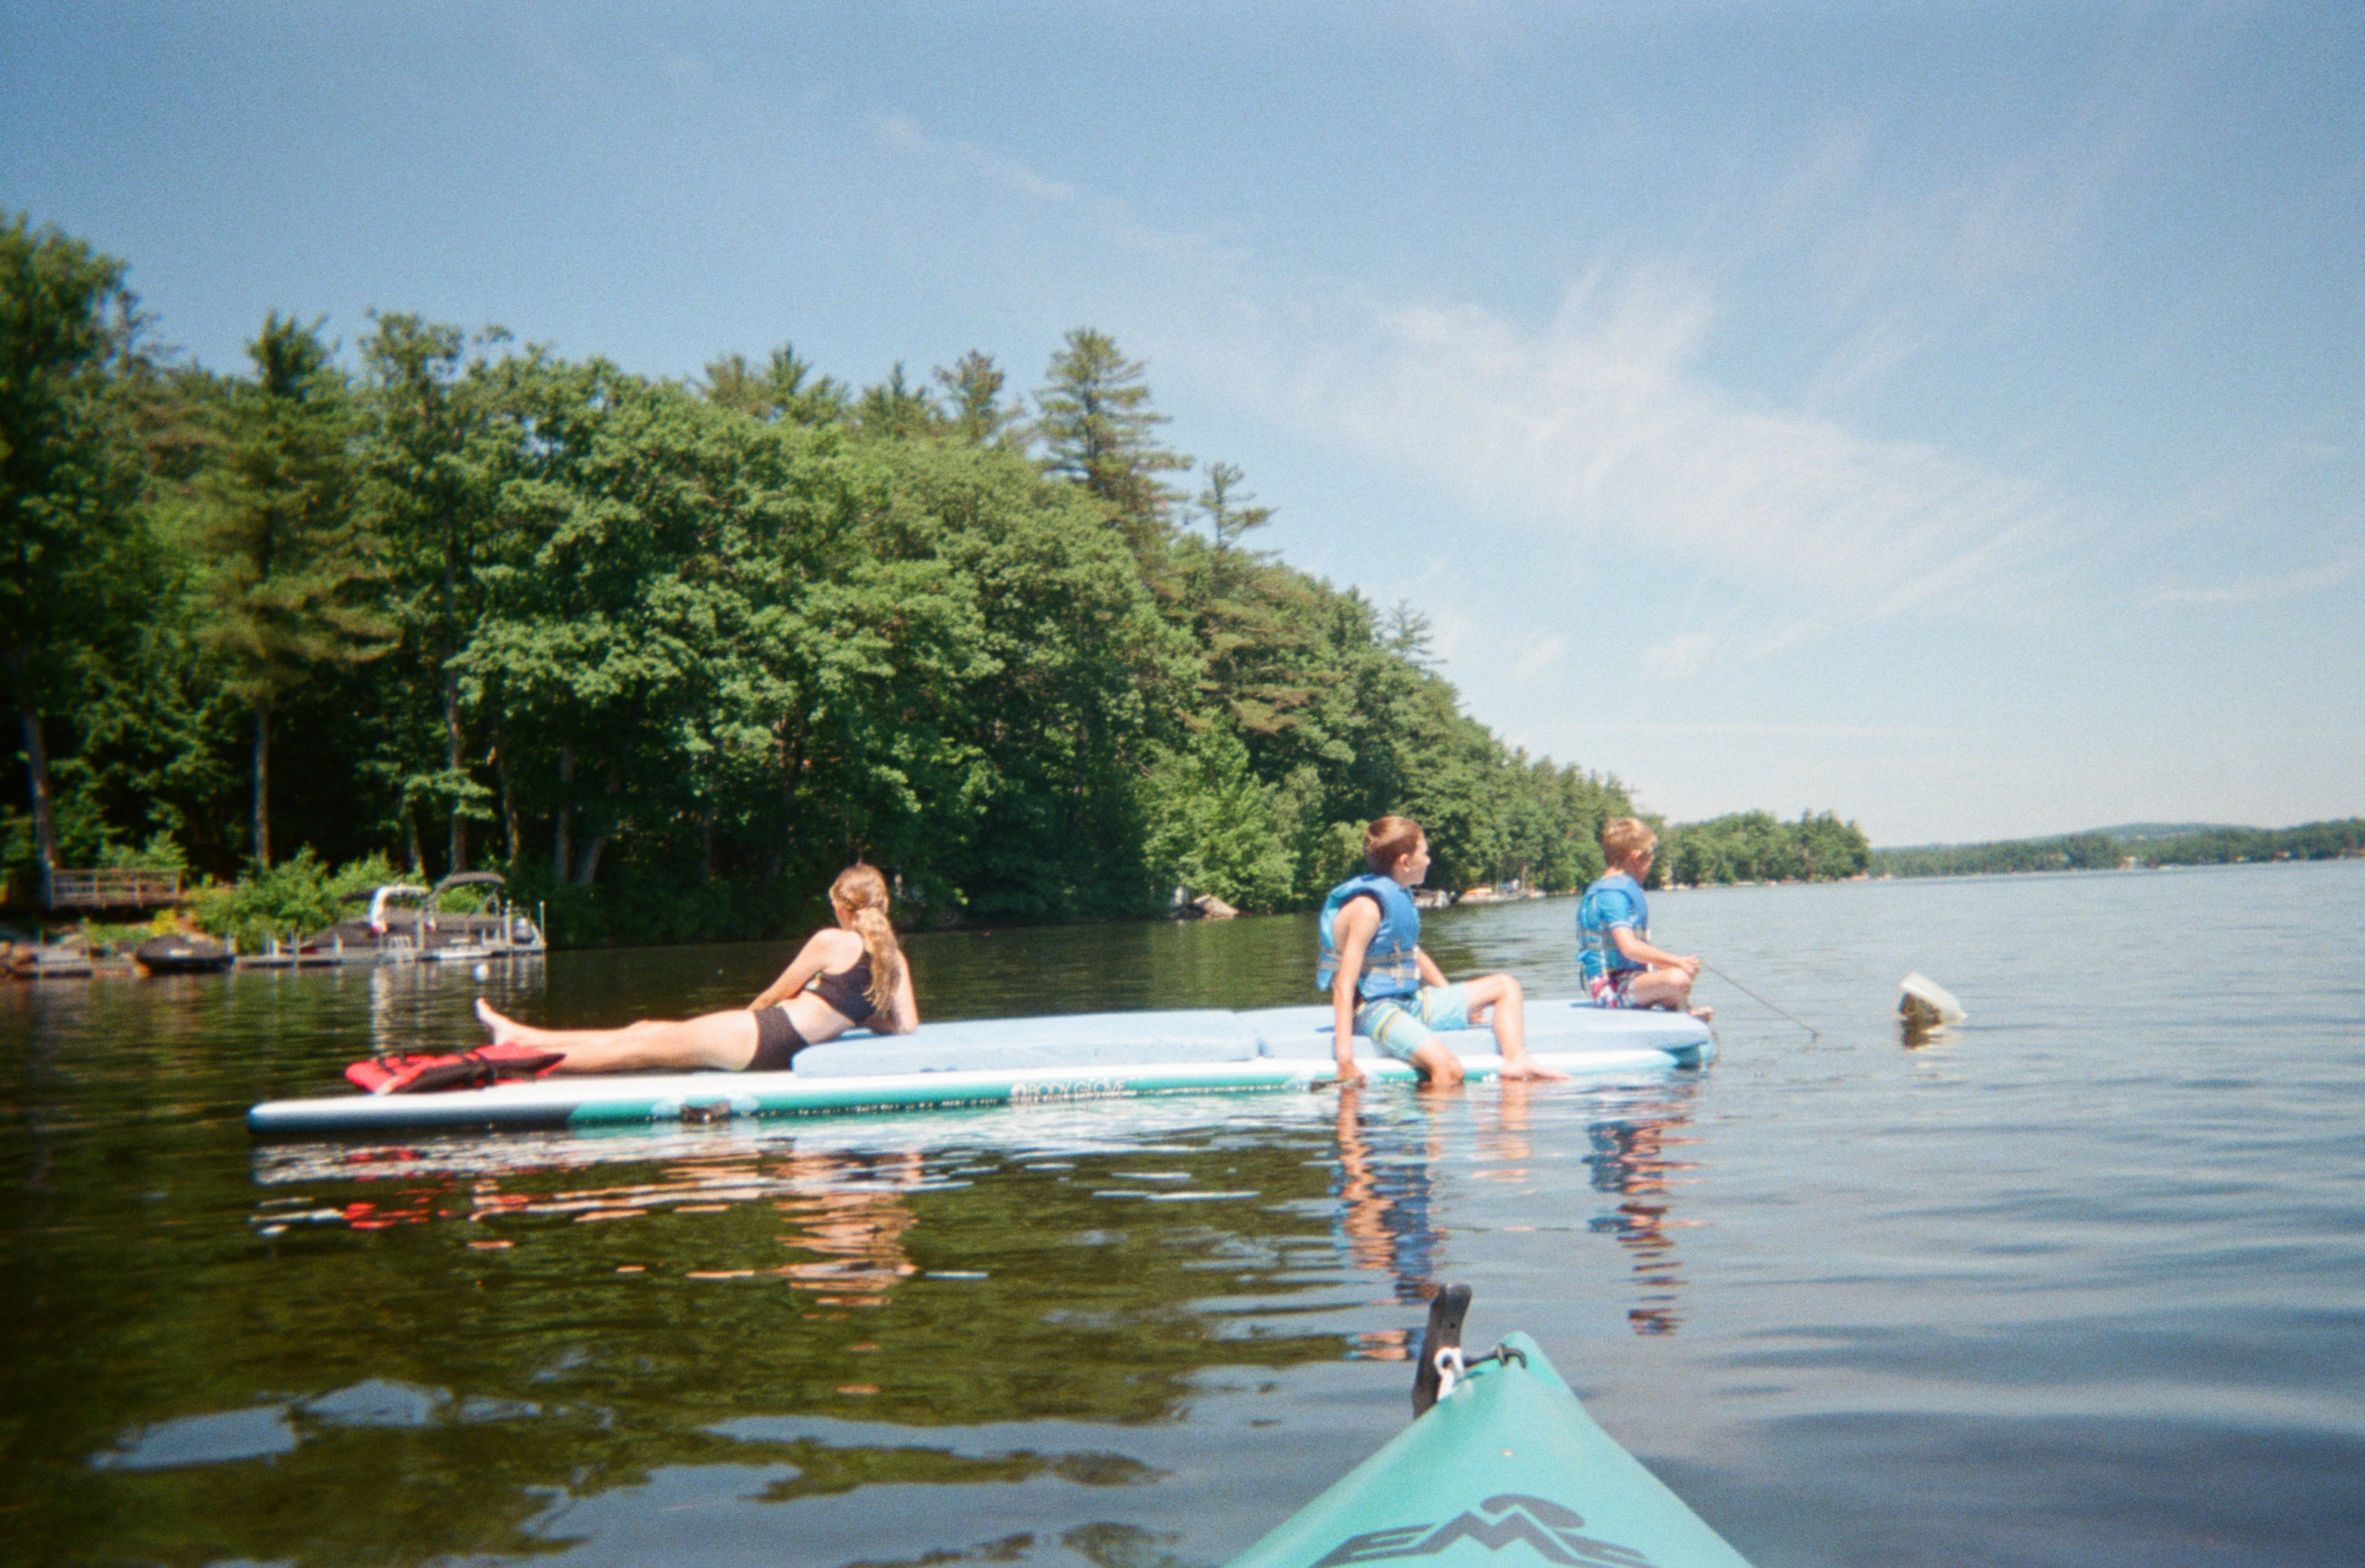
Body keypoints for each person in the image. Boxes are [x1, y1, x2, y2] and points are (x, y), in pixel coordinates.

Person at [473, 863, 918, 1073]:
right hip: (773, 1046)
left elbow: (774, 996)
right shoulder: (894, 960)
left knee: (634, 1048)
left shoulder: (832, 940)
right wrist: (862, 1015)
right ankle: (522, 1037)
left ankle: (521, 1058)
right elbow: (906, 1027)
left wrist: (744, 1018)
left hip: (756, 1034)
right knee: (643, 1029)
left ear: (842, 906)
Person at [1318, 816, 1566, 1088]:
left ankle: (1516, 1060)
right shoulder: (1367, 907)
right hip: (1374, 1010)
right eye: (1424, 853)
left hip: (1408, 1000)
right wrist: (1345, 1061)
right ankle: (1428, 1126)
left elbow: (1414, 955)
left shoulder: (1400, 894)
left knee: (1506, 986)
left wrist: (1462, 1005)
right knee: (1449, 1070)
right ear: (1405, 862)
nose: (1429, 859)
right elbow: (1343, 984)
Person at [1578, 818, 1712, 1019]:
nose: (1650, 864)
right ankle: (1679, 1008)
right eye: (1650, 858)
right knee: (1678, 979)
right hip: (1609, 988)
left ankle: (1680, 1008)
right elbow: (1630, 949)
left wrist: (1676, 963)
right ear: (1637, 857)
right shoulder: (1611, 895)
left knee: (1678, 977)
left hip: (1631, 980)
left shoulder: (1620, 889)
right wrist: (1677, 963)